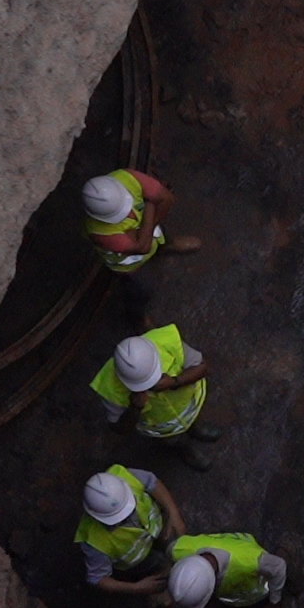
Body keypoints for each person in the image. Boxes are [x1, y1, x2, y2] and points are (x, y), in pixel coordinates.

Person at [89, 325, 222, 471]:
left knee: (192, 420)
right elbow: (119, 428)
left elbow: (202, 367)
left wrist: (174, 381)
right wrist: (135, 408)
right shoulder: (109, 386)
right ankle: (185, 449)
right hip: (164, 429)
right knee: (173, 440)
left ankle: (195, 429)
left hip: (188, 406)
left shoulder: (165, 340)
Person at [82, 169, 200, 331]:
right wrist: (150, 205)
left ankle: (166, 246)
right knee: (141, 291)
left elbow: (168, 199)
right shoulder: (99, 231)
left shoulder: (126, 178)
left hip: (152, 234)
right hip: (130, 267)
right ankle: (138, 321)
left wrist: (143, 230)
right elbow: (142, 248)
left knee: (161, 236)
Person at [74, 466, 188, 597]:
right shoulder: (93, 540)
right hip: (141, 562)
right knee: (158, 570)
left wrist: (173, 512)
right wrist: (137, 588)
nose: (127, 516)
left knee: (174, 545)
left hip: (158, 528)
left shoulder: (125, 476)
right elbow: (97, 578)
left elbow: (152, 482)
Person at [166, 532, 293, 608]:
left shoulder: (248, 561)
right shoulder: (179, 549)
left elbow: (279, 567)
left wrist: (274, 603)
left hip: (256, 584)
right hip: (236, 596)